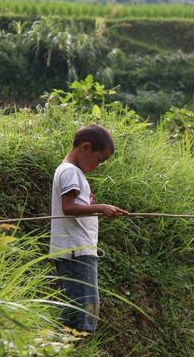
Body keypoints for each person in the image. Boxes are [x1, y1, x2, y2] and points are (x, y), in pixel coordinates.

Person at [50, 124, 128, 333]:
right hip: (76, 252)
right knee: (81, 315)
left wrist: (93, 206)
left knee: (82, 311)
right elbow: (68, 208)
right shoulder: (70, 172)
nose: (98, 165)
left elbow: (75, 206)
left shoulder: (71, 172)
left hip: (77, 252)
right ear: (86, 148)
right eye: (99, 159)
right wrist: (101, 208)